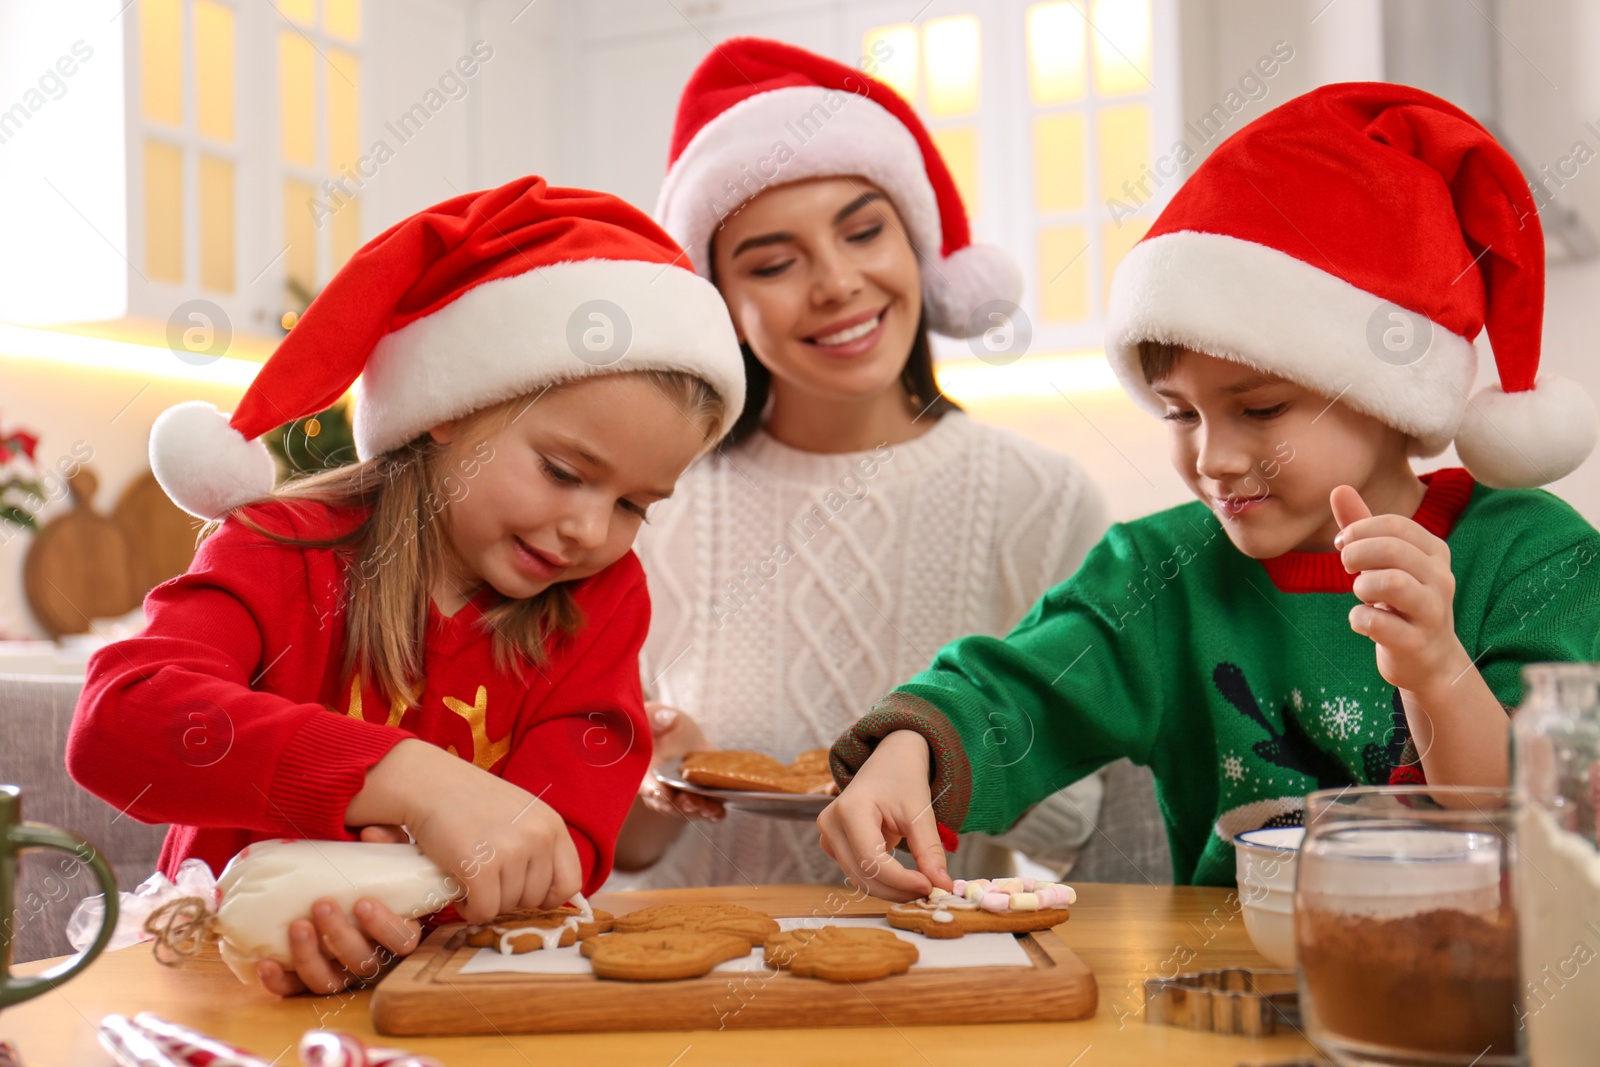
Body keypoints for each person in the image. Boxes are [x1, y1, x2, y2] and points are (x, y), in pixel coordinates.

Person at [818, 82, 1600, 898]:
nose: (1215, 457)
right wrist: (911, 750)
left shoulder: (1535, 560)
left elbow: (1540, 823)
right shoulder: (1161, 573)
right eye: (1180, 412)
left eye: (1260, 410)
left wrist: (1435, 667)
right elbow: (1017, 691)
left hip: (1478, 1008)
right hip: (1224, 999)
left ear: (1386, 397)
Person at [66, 176, 745, 993]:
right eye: (564, 471)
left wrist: (408, 915)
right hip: (218, 990)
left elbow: (563, 842)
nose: (590, 531)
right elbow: (119, 721)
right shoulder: (282, 549)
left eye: (635, 503)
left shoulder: (597, 602)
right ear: (453, 405)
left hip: (445, 998)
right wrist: (411, 779)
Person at [610, 37, 1109, 887]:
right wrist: (647, 772)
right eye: (773, 262)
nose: (837, 283)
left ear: (916, 245)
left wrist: (954, 755)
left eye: (864, 231)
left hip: (935, 984)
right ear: (722, 303)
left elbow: (1082, 826)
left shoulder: (1046, 501)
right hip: (693, 992)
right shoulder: (649, 507)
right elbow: (627, 853)